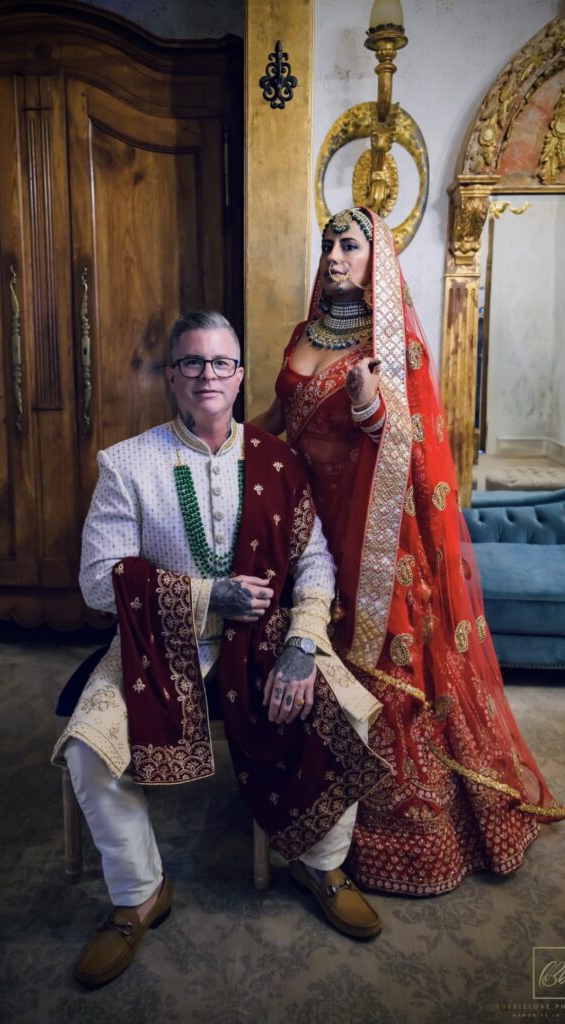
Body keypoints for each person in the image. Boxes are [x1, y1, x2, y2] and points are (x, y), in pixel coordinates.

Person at [52, 310, 390, 988]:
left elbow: (314, 564)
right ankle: (140, 892)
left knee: (349, 710)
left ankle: (319, 861)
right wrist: (206, 597)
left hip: (269, 634)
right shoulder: (128, 465)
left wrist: (301, 644)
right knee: (90, 747)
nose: (208, 375)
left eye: (221, 363)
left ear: (239, 377)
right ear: (171, 377)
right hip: (159, 639)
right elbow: (96, 582)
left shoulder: (278, 461)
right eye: (192, 363)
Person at [253, 207, 565, 896]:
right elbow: (279, 422)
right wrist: (223, 444)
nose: (336, 256)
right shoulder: (301, 335)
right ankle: (307, 802)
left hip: (373, 529)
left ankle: (393, 834)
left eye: (351, 246)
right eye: (329, 244)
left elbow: (412, 439)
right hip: (309, 524)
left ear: (377, 259)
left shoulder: (389, 345)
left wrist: (368, 402)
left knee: (382, 666)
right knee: (307, 654)